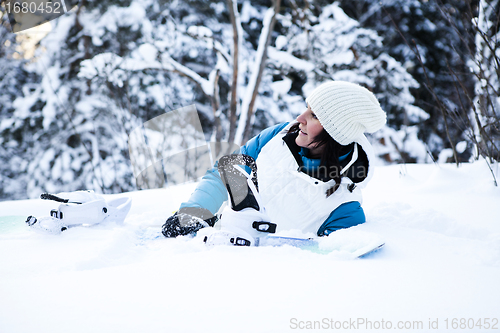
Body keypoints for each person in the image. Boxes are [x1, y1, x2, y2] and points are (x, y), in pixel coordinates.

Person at [162, 81, 386, 239]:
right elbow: (226, 172)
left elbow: (320, 263)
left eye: (314, 115)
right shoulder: (279, 136)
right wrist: (198, 211)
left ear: (337, 134)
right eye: (307, 109)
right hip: (215, 247)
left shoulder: (345, 209)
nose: (300, 119)